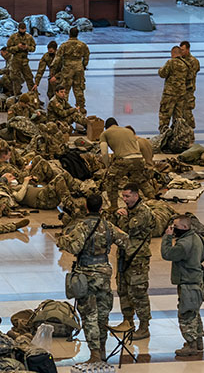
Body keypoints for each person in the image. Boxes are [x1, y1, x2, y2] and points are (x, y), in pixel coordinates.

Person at [56, 194, 129, 364]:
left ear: (86, 208)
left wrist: (63, 240)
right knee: (103, 314)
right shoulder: (108, 225)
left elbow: (75, 247)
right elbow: (125, 241)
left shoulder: (81, 226)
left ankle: (95, 354)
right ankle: (102, 350)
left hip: (85, 275)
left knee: (89, 315)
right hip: (103, 273)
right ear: (101, 208)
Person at [161, 215, 204, 358]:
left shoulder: (183, 244)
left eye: (175, 226)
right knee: (194, 312)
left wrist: (167, 238)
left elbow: (167, 254)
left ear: (184, 227)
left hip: (188, 282)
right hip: (197, 279)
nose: (173, 229)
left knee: (186, 314)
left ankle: (191, 344)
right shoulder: (198, 238)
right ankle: (198, 342)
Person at [113, 184, 153, 340]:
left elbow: (125, 231)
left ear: (136, 196)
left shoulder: (143, 212)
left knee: (138, 293)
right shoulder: (128, 211)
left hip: (137, 258)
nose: (124, 199)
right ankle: (127, 321)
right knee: (123, 289)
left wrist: (121, 217)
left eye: (127, 196)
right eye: (123, 196)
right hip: (124, 255)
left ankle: (144, 327)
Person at [99, 118, 147, 210]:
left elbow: (104, 152)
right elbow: (136, 145)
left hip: (124, 159)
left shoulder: (105, 133)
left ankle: (113, 206)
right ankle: (153, 199)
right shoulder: (128, 131)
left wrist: (107, 166)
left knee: (111, 182)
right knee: (141, 181)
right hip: (138, 158)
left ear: (106, 127)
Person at [49, 27, 90, 113]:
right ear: (77, 34)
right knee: (79, 89)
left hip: (67, 69)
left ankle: (64, 108)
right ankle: (81, 108)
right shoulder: (83, 45)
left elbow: (57, 59)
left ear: (69, 34)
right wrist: (83, 65)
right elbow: (86, 57)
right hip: (79, 69)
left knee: (65, 90)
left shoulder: (64, 45)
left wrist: (53, 69)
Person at [158, 46, 187, 131]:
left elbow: (162, 74)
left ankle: (164, 137)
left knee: (165, 116)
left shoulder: (170, 62)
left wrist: (160, 69)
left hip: (169, 94)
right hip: (181, 94)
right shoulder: (185, 64)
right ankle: (177, 138)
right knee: (178, 118)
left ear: (173, 53)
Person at [5, 22, 36, 95]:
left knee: (29, 78)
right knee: (16, 79)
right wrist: (17, 47)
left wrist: (27, 47)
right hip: (15, 61)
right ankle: (17, 96)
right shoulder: (13, 37)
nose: (22, 31)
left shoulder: (29, 37)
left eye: (24, 29)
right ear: (18, 29)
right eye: (21, 29)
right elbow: (8, 49)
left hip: (25, 61)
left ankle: (34, 96)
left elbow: (33, 48)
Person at [178, 41, 200, 129]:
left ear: (188, 49)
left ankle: (190, 130)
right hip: (180, 91)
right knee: (180, 112)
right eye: (180, 50)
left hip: (188, 90)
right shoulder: (179, 60)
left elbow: (190, 75)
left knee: (187, 111)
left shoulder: (193, 61)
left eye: (183, 50)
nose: (181, 52)